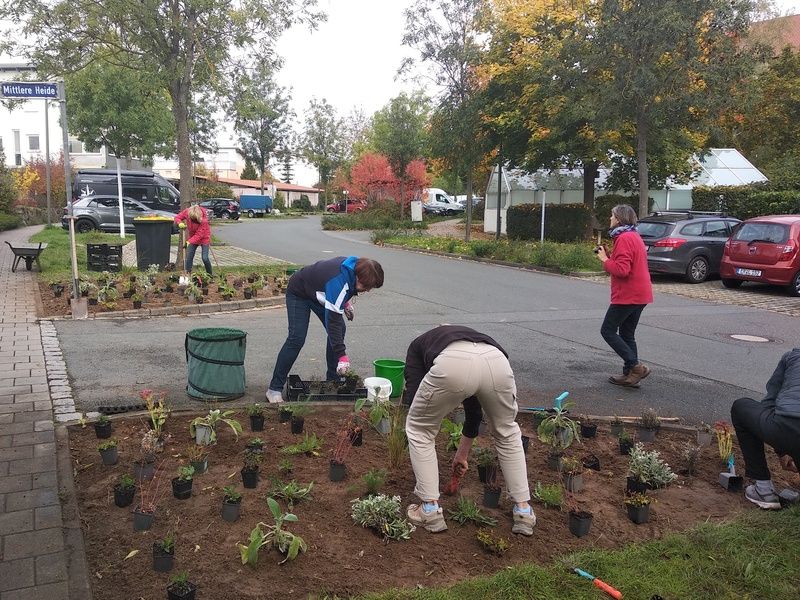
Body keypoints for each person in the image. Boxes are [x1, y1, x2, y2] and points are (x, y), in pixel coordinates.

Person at [402, 325, 535, 536]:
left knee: (420, 429)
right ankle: (523, 511)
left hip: (452, 366)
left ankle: (429, 509)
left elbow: (415, 398)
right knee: (507, 432)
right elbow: (474, 410)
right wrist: (462, 454)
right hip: (497, 362)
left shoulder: (418, 346)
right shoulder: (468, 336)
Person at [266, 256, 384, 403]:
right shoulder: (339, 281)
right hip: (299, 292)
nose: (367, 290)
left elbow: (341, 289)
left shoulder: (354, 268)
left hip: (319, 293)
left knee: (340, 329)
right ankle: (274, 389)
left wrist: (345, 303)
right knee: (296, 339)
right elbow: (333, 321)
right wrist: (342, 357)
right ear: (358, 277)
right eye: (366, 287)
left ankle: (332, 381)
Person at [731, 348, 800, 510]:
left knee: (741, 407)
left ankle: (763, 489)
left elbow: (769, 405)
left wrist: (782, 450)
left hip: (787, 427)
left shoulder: (793, 356)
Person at [595, 204, 653, 387]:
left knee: (608, 330)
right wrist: (609, 256)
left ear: (619, 219)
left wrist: (604, 260)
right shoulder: (634, 235)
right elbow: (626, 262)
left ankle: (636, 367)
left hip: (629, 294)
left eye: (612, 216)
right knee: (627, 334)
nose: (609, 219)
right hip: (641, 293)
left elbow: (622, 270)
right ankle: (630, 374)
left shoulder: (624, 238)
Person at [174, 204, 212, 276]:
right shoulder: (187, 212)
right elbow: (177, 217)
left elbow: (199, 235)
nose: (194, 221)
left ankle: (210, 275)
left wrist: (189, 242)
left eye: (195, 220)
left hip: (204, 237)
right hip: (192, 237)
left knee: (205, 258)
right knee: (189, 256)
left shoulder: (204, 220)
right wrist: (180, 223)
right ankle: (187, 274)